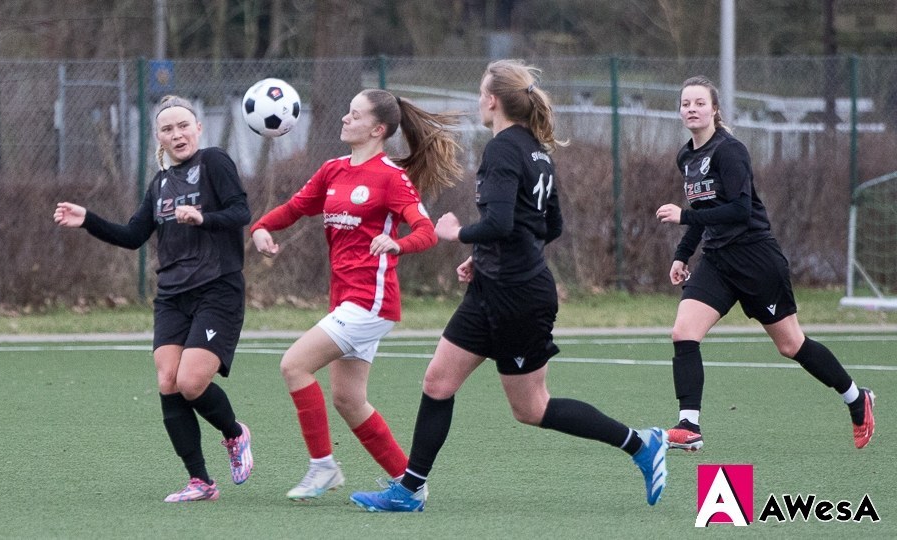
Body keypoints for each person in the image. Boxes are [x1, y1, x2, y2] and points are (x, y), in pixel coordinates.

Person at [349, 59, 668, 513]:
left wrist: (458, 234)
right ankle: (410, 490)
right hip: (493, 290)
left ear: (493, 100)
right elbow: (547, 225)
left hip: (517, 297)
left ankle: (641, 443)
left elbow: (500, 222)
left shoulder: (504, 149)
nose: (479, 100)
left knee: (532, 408)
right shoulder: (537, 150)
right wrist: (484, 258)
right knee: (438, 382)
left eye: (481, 92)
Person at [250, 88, 462, 501]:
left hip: (371, 301)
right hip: (346, 300)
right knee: (348, 399)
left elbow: (424, 231)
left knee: (294, 366)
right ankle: (410, 485)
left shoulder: (390, 178)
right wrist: (262, 226)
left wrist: (398, 244)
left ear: (377, 130)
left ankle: (322, 468)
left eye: (355, 115)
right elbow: (295, 207)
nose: (345, 119)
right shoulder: (333, 170)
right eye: (346, 112)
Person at [654, 75, 876, 452]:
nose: (691, 109)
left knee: (791, 345)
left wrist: (685, 218)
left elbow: (739, 210)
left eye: (699, 103)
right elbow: (703, 210)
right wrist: (681, 254)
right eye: (685, 103)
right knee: (683, 332)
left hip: (756, 259)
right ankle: (689, 425)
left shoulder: (730, 150)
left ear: (714, 109)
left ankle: (856, 398)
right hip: (718, 261)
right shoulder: (686, 156)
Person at [53, 95, 254, 502]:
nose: (177, 134)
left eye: (183, 125)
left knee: (191, 382)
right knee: (167, 381)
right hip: (172, 296)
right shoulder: (159, 184)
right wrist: (87, 219)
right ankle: (201, 482)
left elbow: (240, 212)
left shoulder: (215, 162)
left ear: (198, 128)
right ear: (158, 139)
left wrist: (203, 218)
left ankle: (235, 434)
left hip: (218, 289)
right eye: (167, 129)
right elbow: (132, 237)